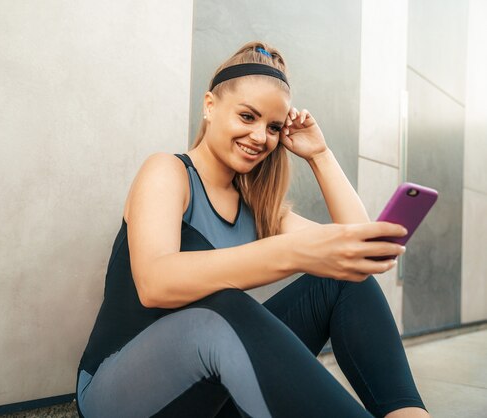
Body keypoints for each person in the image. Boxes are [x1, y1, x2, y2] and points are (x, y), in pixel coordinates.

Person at [75, 41, 430, 418]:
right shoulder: (167, 172)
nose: (261, 137)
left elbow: (362, 251)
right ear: (210, 106)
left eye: (273, 127)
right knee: (222, 307)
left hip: (209, 392)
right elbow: (155, 282)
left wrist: (320, 156)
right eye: (248, 117)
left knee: (342, 281)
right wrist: (292, 252)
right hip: (119, 394)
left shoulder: (259, 208)